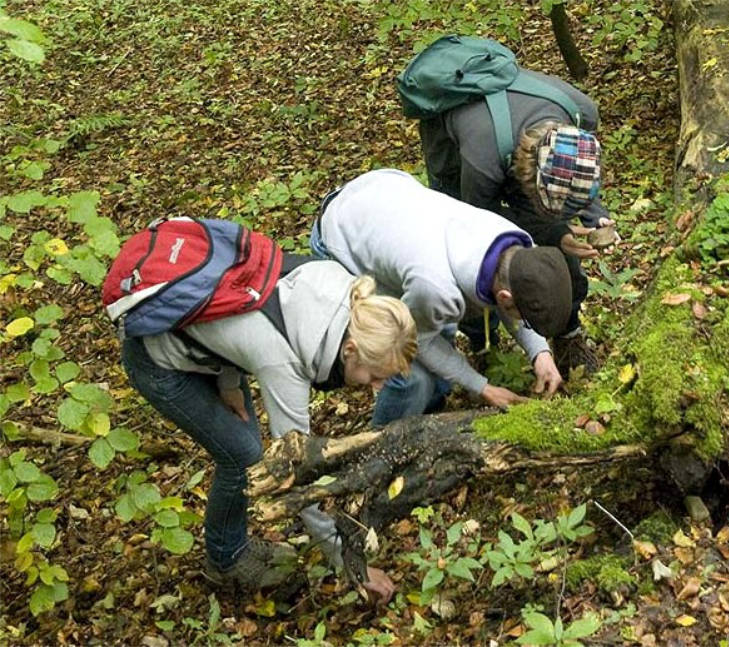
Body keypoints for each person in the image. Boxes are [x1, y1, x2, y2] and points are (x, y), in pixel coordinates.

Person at [120, 259, 416, 598]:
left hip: (207, 349)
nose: (377, 387)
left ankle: (234, 543)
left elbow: (241, 306)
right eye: (376, 376)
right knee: (242, 457)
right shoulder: (283, 360)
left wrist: (229, 384)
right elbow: (295, 470)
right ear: (350, 349)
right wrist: (347, 560)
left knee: (246, 449)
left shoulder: (339, 289)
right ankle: (225, 560)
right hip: (157, 357)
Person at [310, 168, 574, 424]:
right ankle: (378, 447)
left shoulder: (516, 246)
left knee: (439, 346)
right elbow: (417, 340)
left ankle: (429, 417)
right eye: (521, 316)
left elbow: (513, 291)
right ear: (504, 298)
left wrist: (540, 353)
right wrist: (483, 388)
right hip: (341, 233)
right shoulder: (435, 285)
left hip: (385, 203)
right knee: (409, 377)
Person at [417, 66, 613, 374]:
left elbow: (579, 171)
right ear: (527, 177)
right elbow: (477, 225)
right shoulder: (483, 161)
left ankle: (568, 334)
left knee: (557, 241)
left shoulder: (582, 113)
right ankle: (481, 339)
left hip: (511, 137)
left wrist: (596, 216)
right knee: (473, 260)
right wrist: (552, 229)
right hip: (452, 150)